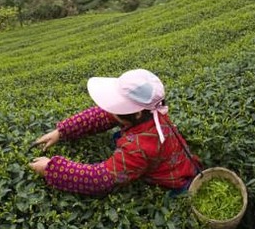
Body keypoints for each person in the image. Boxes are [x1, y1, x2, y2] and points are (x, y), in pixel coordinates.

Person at [28, 68, 201, 196]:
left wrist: (52, 169)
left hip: (173, 184)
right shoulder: (152, 111)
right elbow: (104, 115)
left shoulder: (138, 148)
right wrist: (62, 131)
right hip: (168, 158)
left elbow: (99, 179)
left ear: (136, 113)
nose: (111, 110)